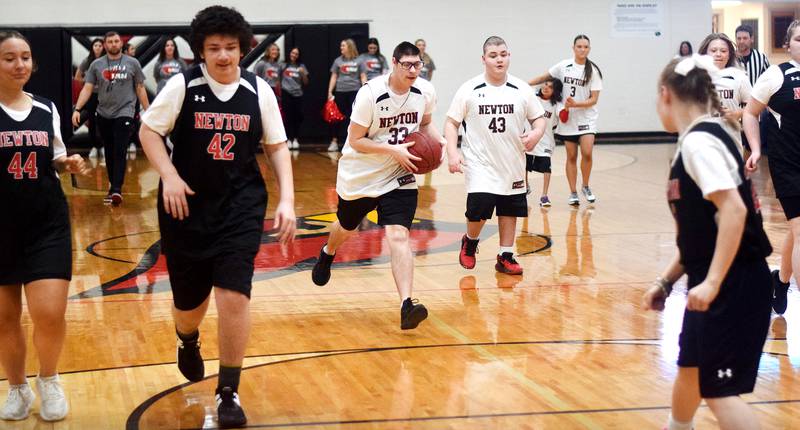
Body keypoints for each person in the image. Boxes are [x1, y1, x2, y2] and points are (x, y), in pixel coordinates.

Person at [138, 6, 296, 427]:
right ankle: (187, 339)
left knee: (233, 294)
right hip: (185, 205)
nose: (224, 56)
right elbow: (148, 132)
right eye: (214, 48)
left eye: (231, 47)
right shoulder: (182, 86)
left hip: (240, 205)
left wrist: (287, 201)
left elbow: (277, 146)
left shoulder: (258, 90)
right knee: (190, 305)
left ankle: (229, 390)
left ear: (243, 48)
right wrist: (168, 176)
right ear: (201, 52)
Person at [643, 54, 773, 430]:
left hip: (735, 284)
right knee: (690, 367)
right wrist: (666, 281)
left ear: (665, 94)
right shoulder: (705, 137)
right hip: (716, 280)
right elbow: (704, 232)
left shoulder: (700, 143)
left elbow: (734, 212)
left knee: (717, 392)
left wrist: (713, 282)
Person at [311, 41, 442, 330]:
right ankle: (327, 253)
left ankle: (407, 304)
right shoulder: (371, 94)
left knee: (398, 235)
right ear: (393, 63)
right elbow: (356, 140)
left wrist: (442, 145)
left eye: (417, 65)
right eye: (406, 64)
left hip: (399, 173)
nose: (412, 70)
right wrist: (393, 150)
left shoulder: (425, 91)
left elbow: (425, 125)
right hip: (362, 173)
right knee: (346, 227)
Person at [0, 30, 89, 422]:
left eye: (25, 57)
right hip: (1, 227)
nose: (20, 65)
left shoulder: (46, 108)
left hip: (46, 223)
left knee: (50, 313)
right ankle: (17, 387)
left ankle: (49, 379)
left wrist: (67, 163)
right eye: (9, 58)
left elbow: (53, 156)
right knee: (4, 318)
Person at [446, 36, 546, 275]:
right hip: (480, 163)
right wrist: (452, 152)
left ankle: (505, 255)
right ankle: (470, 241)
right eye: (493, 55)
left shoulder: (521, 88)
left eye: (503, 54)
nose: (499, 59)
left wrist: (537, 133)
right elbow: (451, 122)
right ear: (484, 59)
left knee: (509, 208)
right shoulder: (470, 88)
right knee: (479, 209)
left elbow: (539, 118)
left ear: (509, 56)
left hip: (512, 161)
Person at [743, 20, 800, 315]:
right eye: (799, 39)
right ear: (788, 44)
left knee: (797, 229)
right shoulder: (776, 75)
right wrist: (755, 148)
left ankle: (780, 280)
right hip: (789, 164)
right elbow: (750, 113)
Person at [72, 31, 149, 206]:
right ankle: (112, 187)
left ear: (121, 44)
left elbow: (140, 87)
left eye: (116, 41)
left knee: (120, 149)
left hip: (126, 111)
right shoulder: (96, 65)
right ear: (105, 45)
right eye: (110, 42)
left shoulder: (133, 63)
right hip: (104, 113)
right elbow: (87, 88)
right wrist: (77, 108)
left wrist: (149, 110)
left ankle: (116, 189)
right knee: (109, 150)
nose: (114, 44)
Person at [529, 34, 603, 206]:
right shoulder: (563, 66)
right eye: (579, 46)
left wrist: (576, 104)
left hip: (586, 118)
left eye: (586, 47)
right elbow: (544, 78)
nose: (582, 49)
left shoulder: (593, 71)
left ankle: (585, 185)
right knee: (571, 155)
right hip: (567, 118)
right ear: (573, 48)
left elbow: (594, 99)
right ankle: (573, 192)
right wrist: (525, 84)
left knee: (587, 152)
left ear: (589, 49)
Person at [698, 33, 751, 147]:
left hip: (731, 141)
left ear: (729, 54)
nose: (718, 54)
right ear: (705, 54)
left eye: (723, 51)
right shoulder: (695, 79)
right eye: (713, 50)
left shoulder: (740, 77)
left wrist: (737, 114)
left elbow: (753, 109)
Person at [527, 77, 562, 207]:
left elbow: (563, 117)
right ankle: (525, 188)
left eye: (550, 87)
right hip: (530, 138)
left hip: (546, 141)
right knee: (524, 165)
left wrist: (568, 109)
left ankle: (544, 195)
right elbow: (527, 85)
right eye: (545, 85)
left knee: (546, 167)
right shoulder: (534, 98)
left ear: (555, 91)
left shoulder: (556, 105)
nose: (546, 87)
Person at [327, 38, 364, 152]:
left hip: (355, 92)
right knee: (337, 118)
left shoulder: (359, 61)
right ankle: (334, 141)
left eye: (343, 46)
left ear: (349, 47)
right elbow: (333, 76)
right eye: (341, 46)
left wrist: (365, 91)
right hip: (341, 92)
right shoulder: (338, 61)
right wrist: (329, 92)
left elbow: (363, 76)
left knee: (353, 118)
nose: (341, 48)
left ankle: (351, 142)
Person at [74, 38, 105, 158]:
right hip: (91, 95)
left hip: (104, 96)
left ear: (103, 47)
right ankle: (94, 146)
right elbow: (77, 76)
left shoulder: (106, 61)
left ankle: (103, 146)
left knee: (104, 121)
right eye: (95, 45)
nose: (97, 47)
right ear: (92, 47)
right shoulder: (87, 61)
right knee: (92, 122)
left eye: (100, 45)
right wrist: (86, 84)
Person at [281, 47, 308, 150]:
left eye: (296, 54)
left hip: (298, 95)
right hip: (286, 93)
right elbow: (278, 79)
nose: (294, 55)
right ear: (290, 53)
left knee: (297, 118)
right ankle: (288, 139)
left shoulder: (302, 66)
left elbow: (306, 82)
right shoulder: (283, 65)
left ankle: (296, 139)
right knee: (287, 118)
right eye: (293, 53)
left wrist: (302, 73)